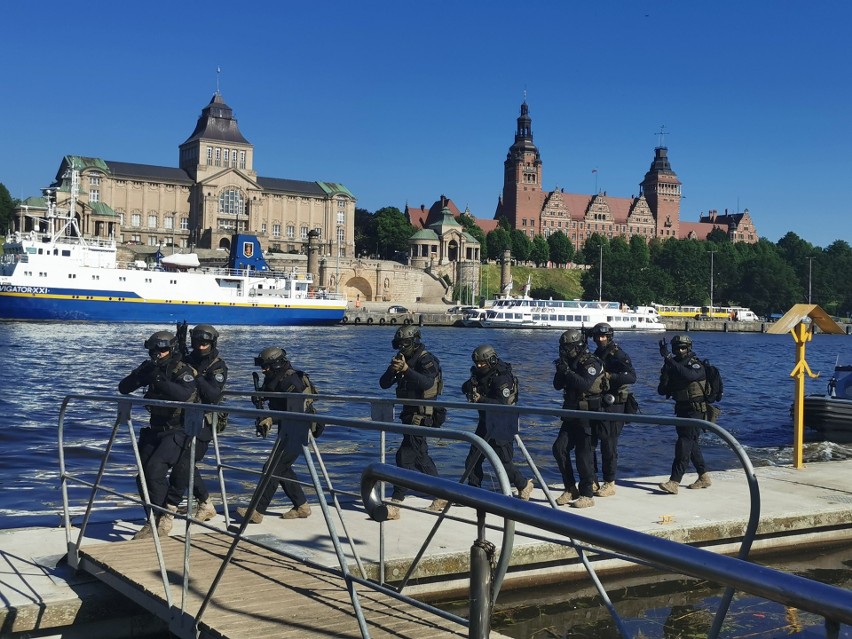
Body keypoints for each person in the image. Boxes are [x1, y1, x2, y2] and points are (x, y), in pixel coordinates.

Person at [119, 330, 198, 539]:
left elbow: (184, 394)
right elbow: (124, 388)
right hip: (155, 428)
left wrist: (159, 379)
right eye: (154, 350)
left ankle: (164, 519)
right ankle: (154, 519)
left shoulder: (182, 370)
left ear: (171, 349)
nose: (158, 353)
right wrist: (141, 376)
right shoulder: (150, 367)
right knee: (142, 478)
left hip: (177, 430)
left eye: (162, 349)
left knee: (155, 472)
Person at [237, 347, 313, 523]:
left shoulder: (292, 381)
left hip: (298, 428)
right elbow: (269, 396)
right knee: (282, 467)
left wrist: (271, 419)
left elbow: (295, 412)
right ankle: (301, 506)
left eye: (267, 367)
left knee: (272, 467)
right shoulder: (275, 378)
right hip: (287, 427)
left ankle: (257, 510)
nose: (264, 370)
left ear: (277, 364)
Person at [379, 325, 445, 519]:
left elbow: (426, 383)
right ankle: (441, 494)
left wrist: (407, 370)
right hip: (408, 415)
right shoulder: (401, 358)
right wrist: (393, 370)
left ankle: (395, 504)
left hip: (423, 415)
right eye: (398, 344)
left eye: (405, 343)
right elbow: (383, 384)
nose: (402, 347)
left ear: (414, 341)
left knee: (404, 457)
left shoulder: (426, 359)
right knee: (421, 458)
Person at [166, 324, 227, 522]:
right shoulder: (188, 358)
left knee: (186, 461)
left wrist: (196, 375)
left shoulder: (217, 366)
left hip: (204, 422)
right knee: (181, 460)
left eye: (205, 344)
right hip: (182, 419)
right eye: (198, 343)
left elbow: (213, 395)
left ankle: (170, 506)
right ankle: (205, 503)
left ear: (212, 343)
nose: (200, 347)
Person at [462, 345, 533, 500]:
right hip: (485, 421)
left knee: (503, 463)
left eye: (482, 364)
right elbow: (464, 387)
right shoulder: (479, 373)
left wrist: (481, 399)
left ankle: (523, 484)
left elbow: (502, 403)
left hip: (503, 422)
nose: (479, 367)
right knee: (473, 459)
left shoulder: (502, 377)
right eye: (477, 364)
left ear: (491, 360)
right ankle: (474, 492)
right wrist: (471, 386)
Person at [552, 329, 606, 508]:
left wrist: (567, 371)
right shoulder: (567, 362)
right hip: (570, 413)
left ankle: (587, 494)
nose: (565, 351)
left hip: (587, 413)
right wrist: (561, 370)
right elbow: (557, 386)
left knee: (584, 454)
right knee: (559, 448)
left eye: (568, 348)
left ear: (577, 346)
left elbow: (584, 384)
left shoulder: (591, 362)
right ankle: (569, 487)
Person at [657, 334, 712, 494]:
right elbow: (662, 390)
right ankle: (703, 476)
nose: (680, 351)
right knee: (691, 444)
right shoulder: (672, 365)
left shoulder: (695, 365)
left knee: (683, 443)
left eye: (683, 348)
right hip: (681, 409)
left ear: (689, 349)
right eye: (677, 348)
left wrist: (669, 360)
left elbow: (689, 375)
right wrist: (666, 374)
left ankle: (674, 481)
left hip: (696, 410)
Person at [589, 322, 637, 498]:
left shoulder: (618, 354)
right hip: (599, 402)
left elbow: (632, 377)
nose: (601, 339)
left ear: (610, 337)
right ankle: (592, 479)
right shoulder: (597, 353)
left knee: (609, 445)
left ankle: (609, 482)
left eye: (604, 337)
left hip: (615, 403)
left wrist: (611, 377)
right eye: (598, 337)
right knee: (591, 442)